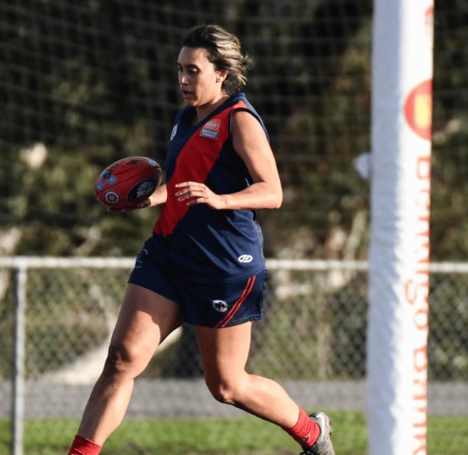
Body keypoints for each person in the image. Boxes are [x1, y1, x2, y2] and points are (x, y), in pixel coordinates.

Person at [68, 24, 335, 455]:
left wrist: (220, 198)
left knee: (227, 386)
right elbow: (182, 182)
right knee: (122, 359)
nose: (183, 80)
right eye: (180, 70)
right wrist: (152, 196)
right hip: (168, 252)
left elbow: (273, 191)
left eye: (193, 70)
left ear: (222, 73)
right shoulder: (185, 119)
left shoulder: (240, 120)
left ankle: (312, 433)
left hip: (223, 265)